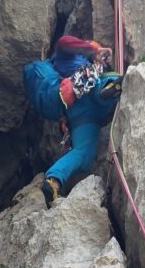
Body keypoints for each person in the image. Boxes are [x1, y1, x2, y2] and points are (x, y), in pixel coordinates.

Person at [23, 36, 123, 207]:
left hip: (81, 116)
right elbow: (63, 43)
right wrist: (90, 49)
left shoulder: (83, 62)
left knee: (84, 153)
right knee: (98, 85)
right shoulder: (71, 59)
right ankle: (111, 87)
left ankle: (53, 181)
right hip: (79, 94)